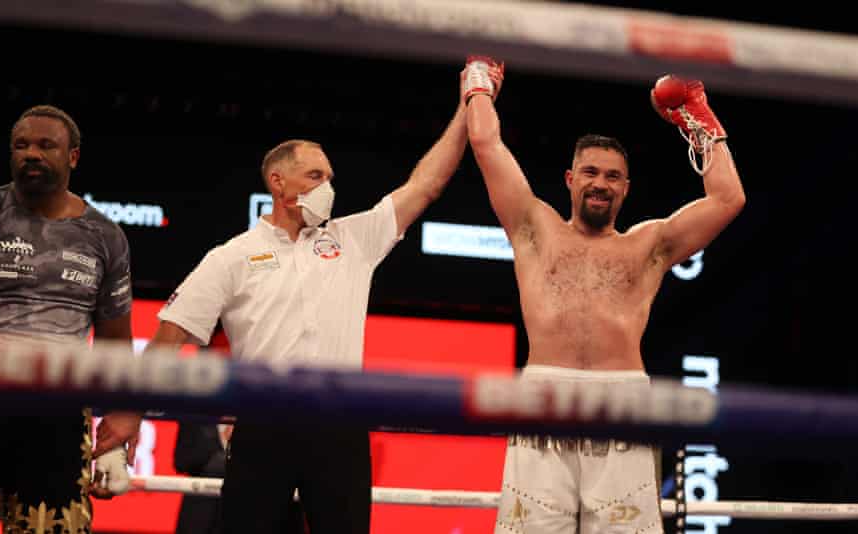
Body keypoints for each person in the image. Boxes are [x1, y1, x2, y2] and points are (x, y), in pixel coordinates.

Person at [129, 67, 501, 533]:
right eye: (314, 175)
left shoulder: (353, 239)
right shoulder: (232, 256)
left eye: (329, 176)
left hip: (339, 427)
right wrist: (127, 413)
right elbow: (171, 331)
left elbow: (425, 185)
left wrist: (469, 104)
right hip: (261, 425)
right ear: (278, 183)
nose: (328, 186)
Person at [465, 60, 745, 533]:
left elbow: (727, 199)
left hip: (623, 400)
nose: (601, 183)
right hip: (543, 397)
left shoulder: (648, 246)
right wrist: (479, 83)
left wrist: (701, 119)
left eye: (613, 176)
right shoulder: (535, 228)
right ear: (571, 179)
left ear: (626, 188)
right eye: (591, 172)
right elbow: (485, 143)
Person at [0, 105, 134, 533]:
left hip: (57, 412)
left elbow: (115, 336)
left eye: (46, 145)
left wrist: (119, 412)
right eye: (21, 145)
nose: (32, 154)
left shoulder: (105, 236)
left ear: (73, 156)